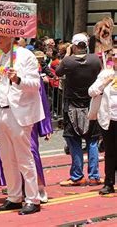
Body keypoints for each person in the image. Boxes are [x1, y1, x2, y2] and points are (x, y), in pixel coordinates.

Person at [0, 35, 44, 215]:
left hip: (19, 113)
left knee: (24, 157)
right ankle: (14, 197)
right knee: (6, 157)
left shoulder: (25, 55)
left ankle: (33, 199)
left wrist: (19, 80)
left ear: (11, 35)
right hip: (1, 111)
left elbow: (36, 84)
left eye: (0, 35)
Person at [55, 34, 103, 187]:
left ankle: (77, 176)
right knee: (93, 140)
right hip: (91, 104)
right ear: (86, 45)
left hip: (72, 106)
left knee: (74, 140)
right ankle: (94, 175)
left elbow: (58, 72)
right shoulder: (95, 60)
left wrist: (68, 54)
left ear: (74, 46)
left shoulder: (68, 61)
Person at [88, 47, 117, 195]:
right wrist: (103, 83)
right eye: (115, 57)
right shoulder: (106, 74)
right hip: (108, 118)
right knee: (110, 152)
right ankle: (109, 183)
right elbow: (91, 91)